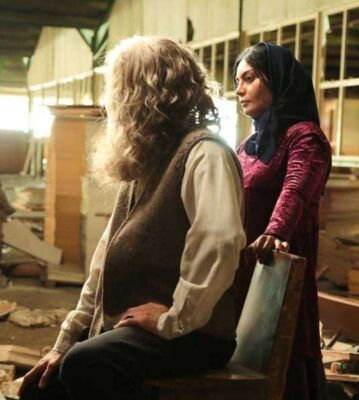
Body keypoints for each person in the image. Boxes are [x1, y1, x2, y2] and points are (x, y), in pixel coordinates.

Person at [19, 36, 246, 400]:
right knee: (43, 386)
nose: (111, 104)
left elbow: (219, 242)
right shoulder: (147, 162)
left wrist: (174, 319)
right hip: (145, 328)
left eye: (118, 90)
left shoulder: (205, 153)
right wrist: (66, 339)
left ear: (145, 94)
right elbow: (103, 263)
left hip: (195, 335)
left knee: (84, 365)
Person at [234, 42, 332, 400]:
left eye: (249, 78)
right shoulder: (248, 146)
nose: (239, 89)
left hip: (275, 272)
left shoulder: (305, 137)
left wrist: (276, 230)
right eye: (237, 81)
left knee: (280, 362)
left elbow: (296, 189)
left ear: (275, 80)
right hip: (242, 272)